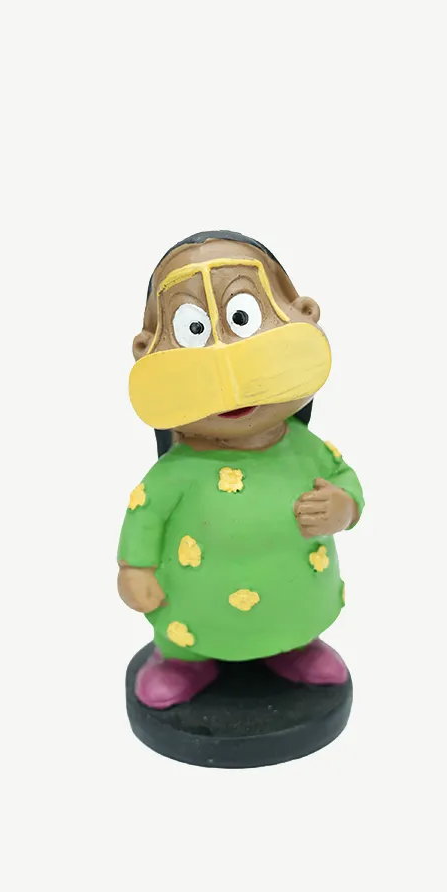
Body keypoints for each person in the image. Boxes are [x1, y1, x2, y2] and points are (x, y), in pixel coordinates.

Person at [118, 231, 364, 709]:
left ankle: (295, 645)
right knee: (185, 632)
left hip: (294, 597)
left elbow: (345, 480)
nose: (227, 367)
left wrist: (344, 506)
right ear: (148, 349)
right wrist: (135, 568)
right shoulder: (177, 472)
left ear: (302, 313)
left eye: (242, 319)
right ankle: (183, 660)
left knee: (295, 618)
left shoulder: (304, 448)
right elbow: (145, 515)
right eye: (193, 329)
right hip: (194, 607)